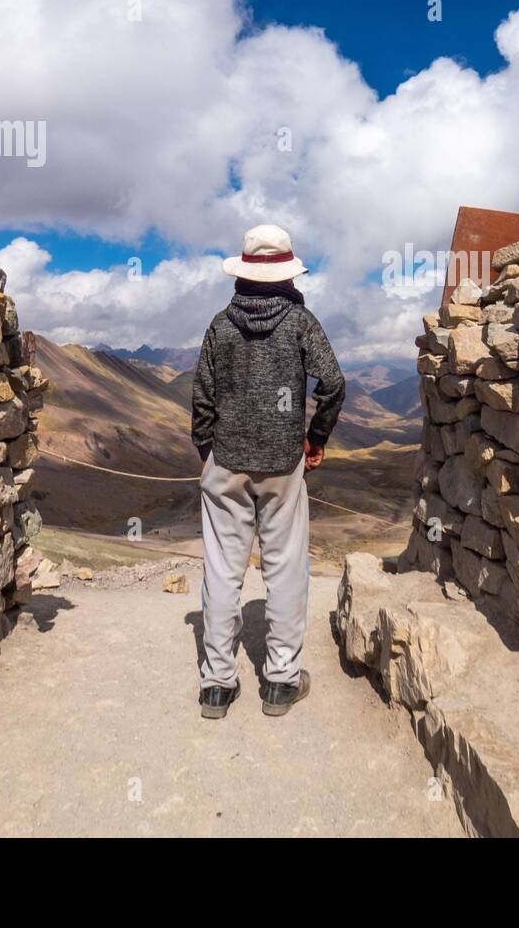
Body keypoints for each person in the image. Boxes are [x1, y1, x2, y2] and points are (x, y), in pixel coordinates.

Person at [190, 224, 345, 718]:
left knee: (222, 569)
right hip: (284, 464)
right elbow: (334, 384)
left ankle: (217, 684)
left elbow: (202, 397)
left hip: (227, 461)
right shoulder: (300, 322)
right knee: (285, 568)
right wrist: (314, 439)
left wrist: (207, 450)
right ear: (286, 274)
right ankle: (279, 680)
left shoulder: (220, 325)